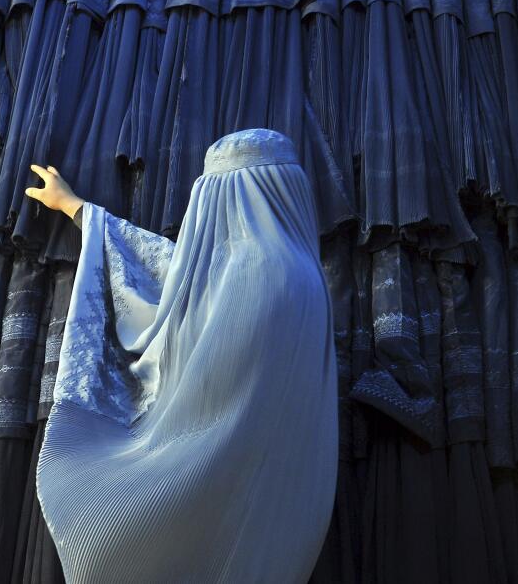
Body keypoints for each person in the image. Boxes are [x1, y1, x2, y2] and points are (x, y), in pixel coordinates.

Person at [24, 128, 339, 583]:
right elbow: (188, 283)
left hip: (205, 506)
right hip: (282, 517)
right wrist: (78, 209)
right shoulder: (305, 277)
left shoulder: (254, 273)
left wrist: (78, 211)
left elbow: (179, 320)